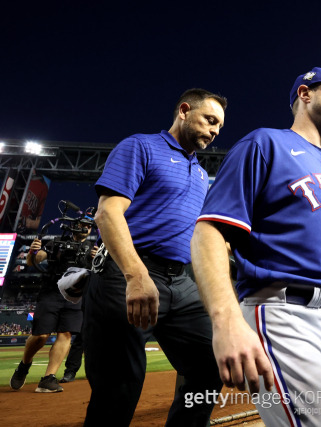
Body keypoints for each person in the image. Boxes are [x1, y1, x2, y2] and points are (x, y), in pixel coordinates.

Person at [191, 67, 321, 426]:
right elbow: (210, 232)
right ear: (305, 93)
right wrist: (226, 321)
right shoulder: (264, 144)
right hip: (281, 314)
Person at [82, 88, 227, 426]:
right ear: (184, 110)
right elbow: (107, 213)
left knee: (211, 363)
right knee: (118, 389)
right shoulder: (141, 146)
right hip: (128, 272)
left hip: (181, 280)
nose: (215, 130)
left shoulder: (202, 175)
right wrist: (136, 274)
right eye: (210, 120)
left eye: (219, 126)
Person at [10, 226, 96, 392]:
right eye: (82, 224)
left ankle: (48, 378)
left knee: (66, 334)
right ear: (74, 226)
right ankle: (24, 365)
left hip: (74, 296)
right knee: (41, 336)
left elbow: (98, 271)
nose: (85, 227)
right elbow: (31, 261)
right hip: (51, 292)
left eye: (89, 225)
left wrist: (96, 258)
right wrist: (33, 252)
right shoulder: (57, 242)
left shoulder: (92, 249)